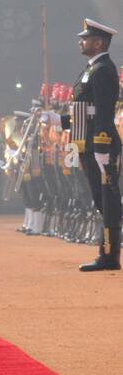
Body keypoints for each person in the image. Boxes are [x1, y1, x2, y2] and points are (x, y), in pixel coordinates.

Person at [45, 20, 120, 270]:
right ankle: (107, 252)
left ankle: (109, 255)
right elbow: (84, 110)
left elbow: (104, 111)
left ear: (99, 42)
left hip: (100, 142)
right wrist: (61, 120)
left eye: (86, 38)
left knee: (108, 200)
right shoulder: (92, 68)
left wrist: (101, 144)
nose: (81, 41)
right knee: (101, 200)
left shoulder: (103, 70)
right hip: (87, 141)